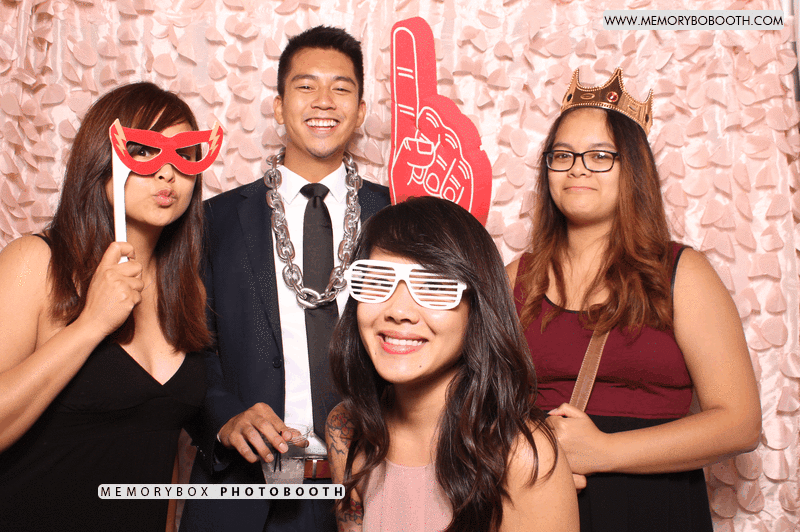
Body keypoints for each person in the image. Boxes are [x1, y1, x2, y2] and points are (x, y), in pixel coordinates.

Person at [506, 68, 762, 531]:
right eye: (562, 155)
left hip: (652, 508)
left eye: (600, 155)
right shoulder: (514, 279)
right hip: (539, 504)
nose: (577, 167)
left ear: (634, 170)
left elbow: (740, 422)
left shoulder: (683, 275)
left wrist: (604, 450)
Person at [180, 26, 391, 532]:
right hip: (243, 490)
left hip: (373, 486)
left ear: (361, 111)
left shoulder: (395, 215)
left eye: (341, 88)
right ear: (278, 107)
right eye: (306, 86)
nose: (324, 101)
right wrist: (225, 418)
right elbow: (185, 346)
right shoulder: (215, 221)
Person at [0, 81, 212, 531]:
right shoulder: (37, 263)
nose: (167, 173)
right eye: (144, 152)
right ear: (102, 158)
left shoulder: (187, 289)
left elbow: (161, 446)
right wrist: (90, 325)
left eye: (184, 155)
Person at [326, 196, 579, 532]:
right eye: (378, 280)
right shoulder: (346, 429)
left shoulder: (522, 456)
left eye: (434, 287)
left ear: (477, 308)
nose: (398, 311)